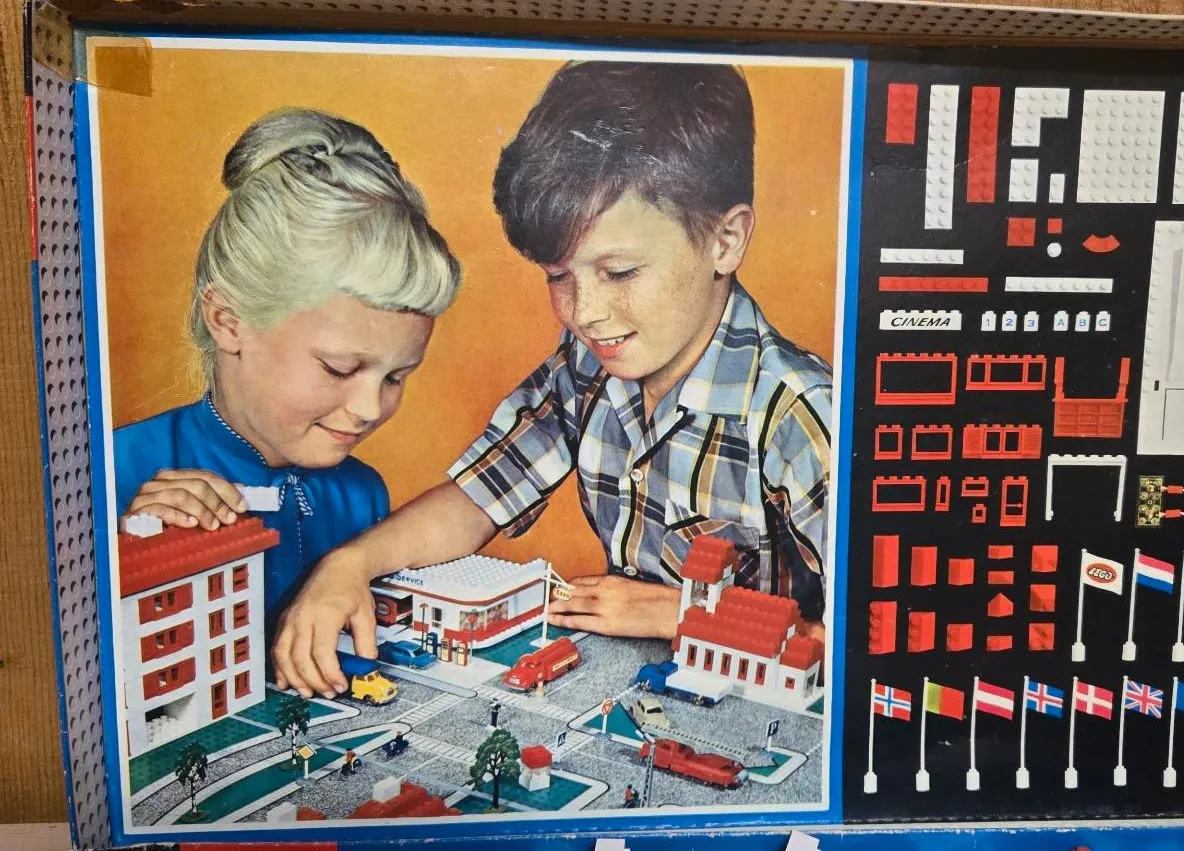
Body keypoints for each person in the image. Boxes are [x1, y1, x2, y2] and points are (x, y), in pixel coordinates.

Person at [273, 61, 833, 701]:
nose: (584, 312)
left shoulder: (802, 415)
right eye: (559, 276)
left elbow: (870, 642)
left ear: (725, 241)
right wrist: (348, 565)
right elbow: (478, 497)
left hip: (773, 706)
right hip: (647, 687)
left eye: (619, 272)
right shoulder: (587, 364)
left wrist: (681, 614)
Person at [113, 108, 462, 644]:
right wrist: (131, 552)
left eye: (397, 377)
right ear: (228, 321)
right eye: (339, 369)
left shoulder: (362, 494)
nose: (370, 408)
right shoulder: (107, 473)